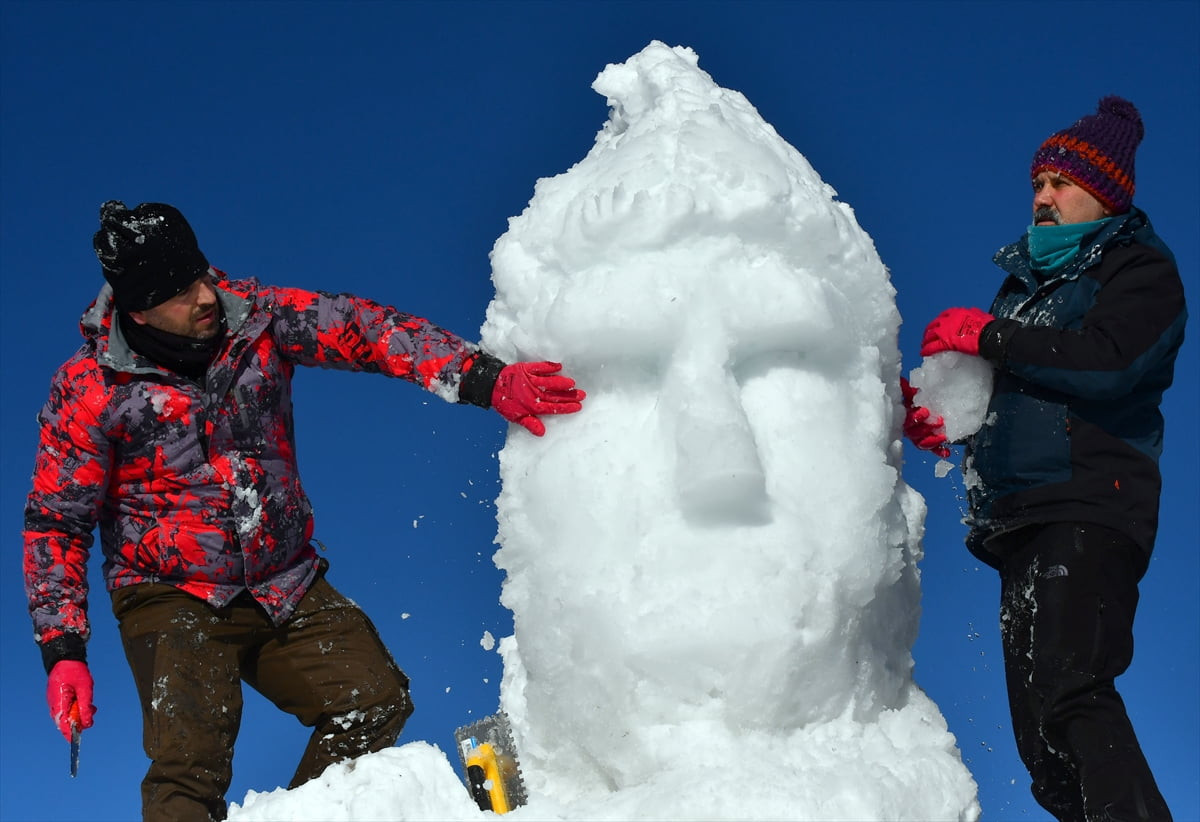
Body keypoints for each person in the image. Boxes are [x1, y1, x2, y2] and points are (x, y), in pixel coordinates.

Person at [23, 200, 586, 822]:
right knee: (190, 765)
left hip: (281, 579)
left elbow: (365, 329)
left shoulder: (258, 320)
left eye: (201, 275)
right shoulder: (90, 388)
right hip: (170, 589)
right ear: (138, 309)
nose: (206, 296)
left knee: (373, 701)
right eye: (181, 293)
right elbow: (56, 522)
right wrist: (63, 647)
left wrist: (481, 377)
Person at [904, 96, 1185, 821]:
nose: (1042, 197)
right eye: (1037, 184)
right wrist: (946, 417)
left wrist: (989, 337)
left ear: (1105, 195)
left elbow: (1107, 363)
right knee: (1041, 744)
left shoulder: (1138, 271)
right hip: (1019, 517)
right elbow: (1020, 392)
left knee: (1071, 688)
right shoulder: (1023, 290)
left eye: (1061, 183)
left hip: (1089, 506)